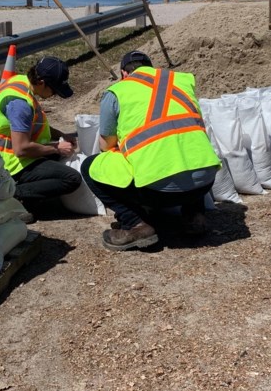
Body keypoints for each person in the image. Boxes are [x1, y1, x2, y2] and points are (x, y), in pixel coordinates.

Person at [81, 50, 221, 251]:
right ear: (151, 69)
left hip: (158, 192)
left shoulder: (117, 91)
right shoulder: (181, 80)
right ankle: (194, 217)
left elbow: (106, 145)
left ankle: (134, 225)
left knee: (90, 167)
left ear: (123, 74)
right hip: (205, 183)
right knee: (185, 149)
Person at [0, 56, 82, 214]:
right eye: (54, 90)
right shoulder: (20, 105)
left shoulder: (20, 82)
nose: (54, 95)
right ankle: (14, 195)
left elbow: (33, 124)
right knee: (71, 179)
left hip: (11, 157)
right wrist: (56, 148)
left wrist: (61, 135)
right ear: (42, 82)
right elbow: (21, 149)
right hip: (10, 165)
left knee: (62, 157)